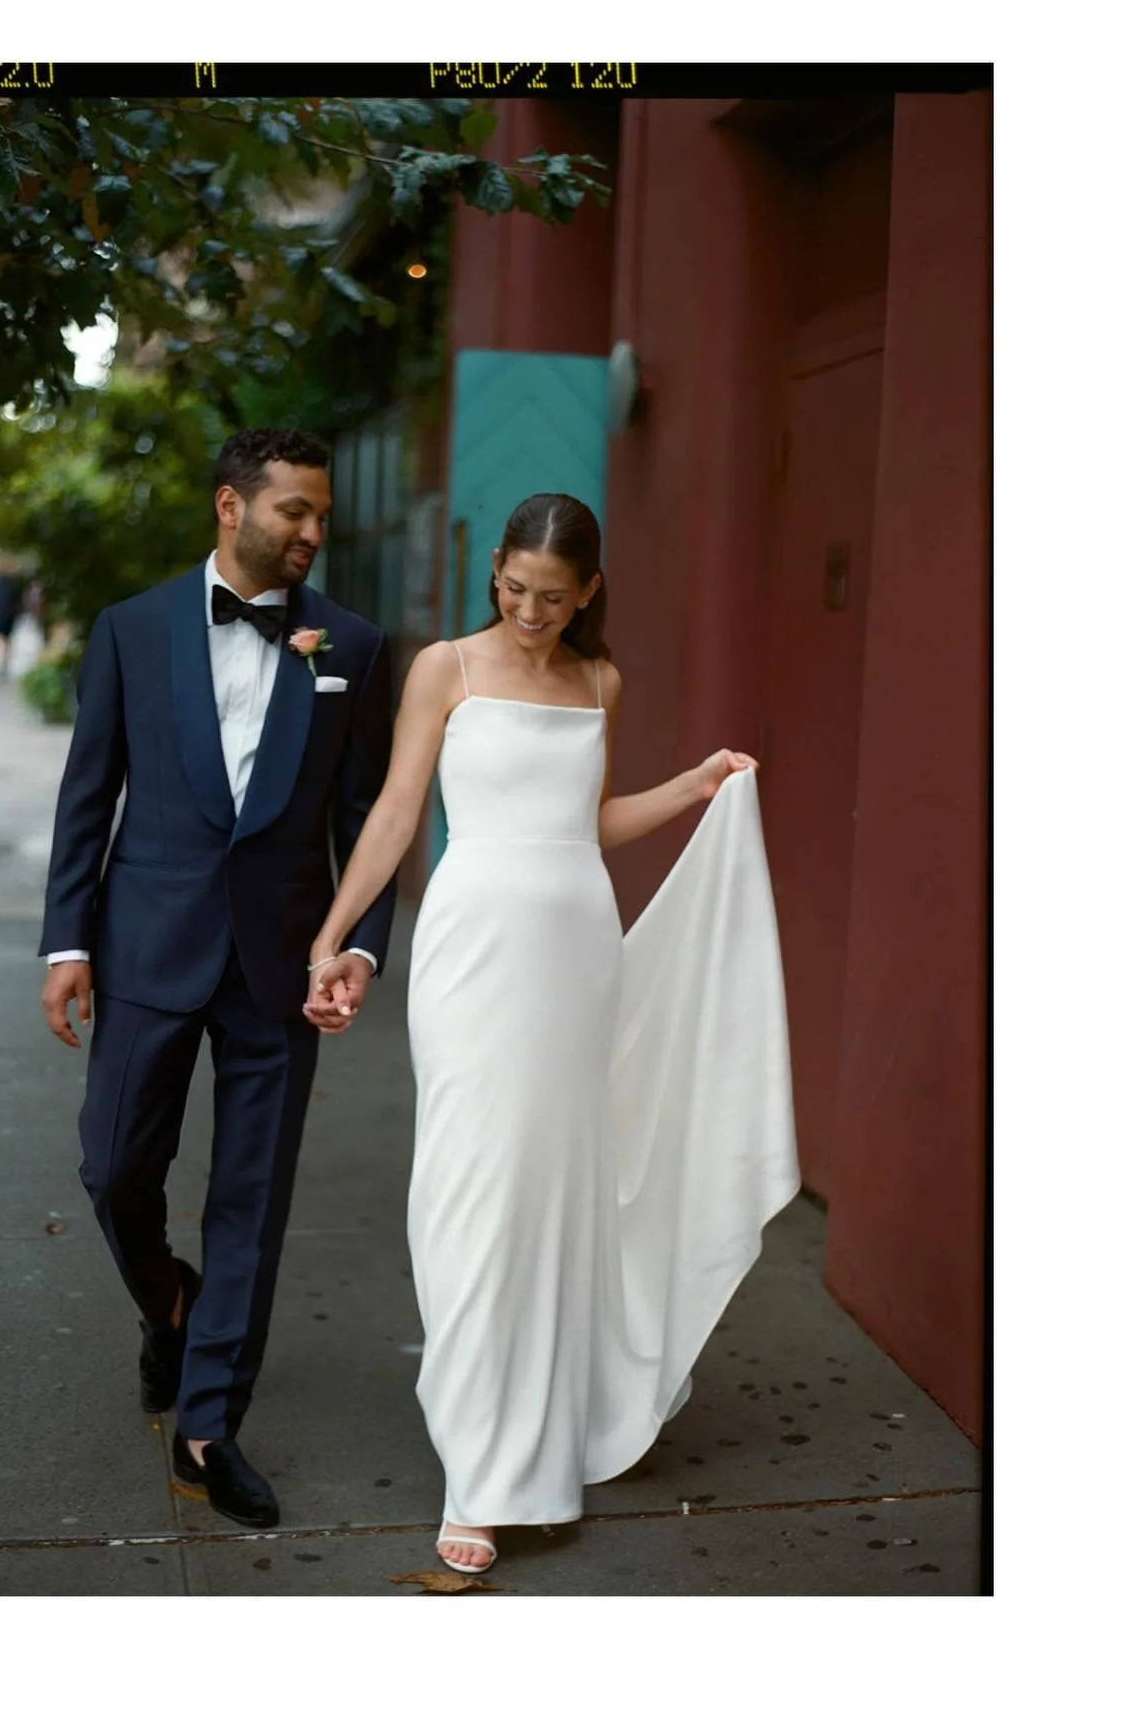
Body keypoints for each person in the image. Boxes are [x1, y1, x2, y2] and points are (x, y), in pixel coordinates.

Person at [306, 493, 800, 1575]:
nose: (530, 612)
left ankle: (533, 1440)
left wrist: (697, 784)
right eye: (515, 589)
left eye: (553, 597)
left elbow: (590, 822)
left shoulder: (598, 680)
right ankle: (480, 1465)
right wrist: (334, 936)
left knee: (557, 1191)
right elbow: (398, 811)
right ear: (496, 571)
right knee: (470, 1193)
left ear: (588, 594)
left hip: (579, 954)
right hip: (472, 952)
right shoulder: (445, 668)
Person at [38, 427, 396, 1530]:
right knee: (112, 1171)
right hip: (146, 946)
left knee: (252, 1199)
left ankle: (209, 1425)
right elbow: (88, 791)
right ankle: (171, 1301)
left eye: (322, 514)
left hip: (278, 966)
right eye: (294, 510)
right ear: (229, 508)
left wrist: (359, 944)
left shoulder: (351, 643)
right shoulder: (133, 630)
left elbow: (370, 823)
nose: (312, 532)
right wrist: (67, 942)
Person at [0, 564, 24, 674]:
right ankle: (4, 657)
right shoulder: (12, 584)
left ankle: (3, 657)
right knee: (6, 637)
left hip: (1, 614)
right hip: (8, 614)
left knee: (2, 636)